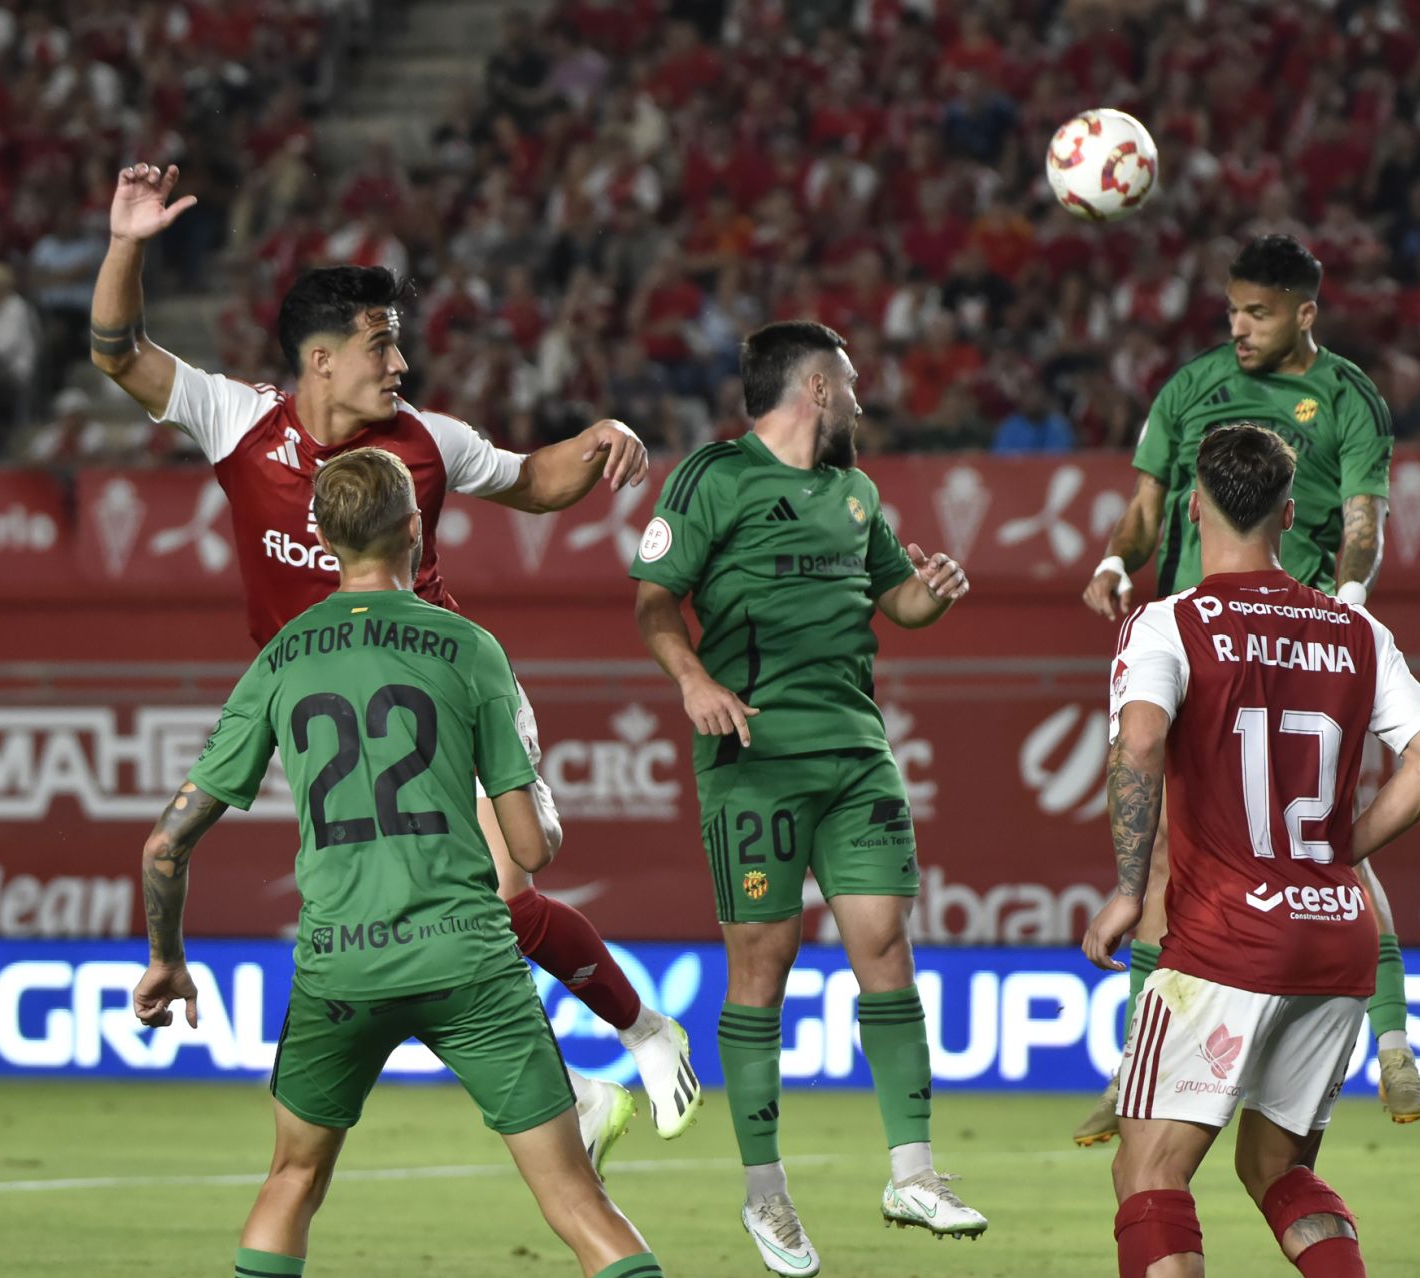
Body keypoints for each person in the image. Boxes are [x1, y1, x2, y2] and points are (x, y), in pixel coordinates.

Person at [90, 162, 697, 1165]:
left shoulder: (427, 440)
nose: (401, 362)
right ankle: (582, 1092)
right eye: (382, 343)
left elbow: (533, 482)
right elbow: (117, 350)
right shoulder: (237, 419)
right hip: (326, 707)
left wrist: (601, 440)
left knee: (499, 897)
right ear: (320, 360)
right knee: (417, 929)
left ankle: (642, 1033)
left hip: (434, 693)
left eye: (399, 341)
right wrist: (125, 243)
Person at [130, 448, 666, 1278]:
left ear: (321, 536)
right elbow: (529, 849)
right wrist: (537, 810)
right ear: (416, 528)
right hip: (467, 962)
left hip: (340, 966)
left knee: (292, 1180)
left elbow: (165, 844)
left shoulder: (282, 657)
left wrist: (167, 957)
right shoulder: (469, 648)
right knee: (574, 1199)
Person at [631, 321, 985, 1276]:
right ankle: (766, 1194)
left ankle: (912, 1173)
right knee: (764, 962)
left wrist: (932, 591)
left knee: (885, 943)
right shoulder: (713, 478)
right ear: (819, 388)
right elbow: (655, 599)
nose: (863, 402)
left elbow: (897, 602)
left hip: (856, 752)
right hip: (755, 753)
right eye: (853, 384)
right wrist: (695, 682)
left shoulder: (857, 494)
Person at [1077, 234, 1420, 1144]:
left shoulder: (1348, 397)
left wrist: (1348, 600)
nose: (1239, 327)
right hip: (1198, 643)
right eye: (1233, 309)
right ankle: (1140, 1057)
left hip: (1292, 637)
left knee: (1315, 839)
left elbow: (1364, 521)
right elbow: (1146, 509)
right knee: (1171, 848)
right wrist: (1116, 560)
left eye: (1259, 313)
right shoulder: (1190, 388)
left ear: (1305, 313)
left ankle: (1394, 1042)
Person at [1083, 423, 1420, 1278]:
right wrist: (1336, 851)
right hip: (1336, 938)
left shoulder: (1168, 624)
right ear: (1290, 514)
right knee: (1277, 1168)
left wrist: (1128, 890)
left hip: (1225, 937)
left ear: (1192, 507)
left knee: (1148, 1173)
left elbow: (1138, 746)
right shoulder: (1355, 629)